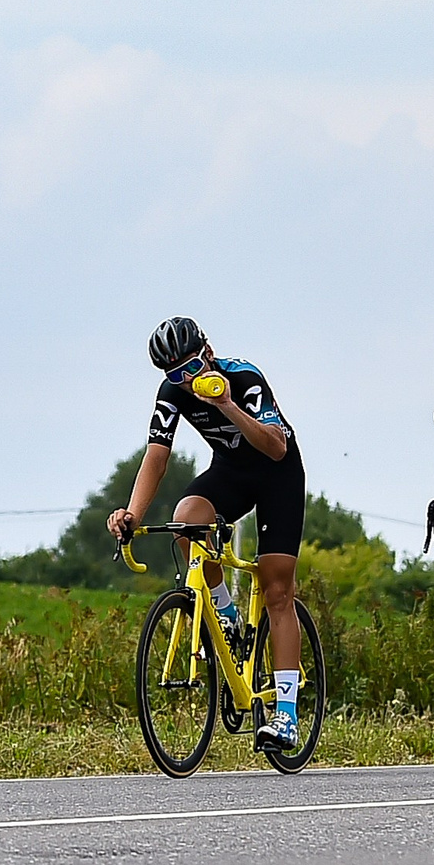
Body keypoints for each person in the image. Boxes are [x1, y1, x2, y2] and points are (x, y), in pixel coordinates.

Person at [107, 317, 308, 753]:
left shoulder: (244, 377)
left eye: (193, 366)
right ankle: (226, 612)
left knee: (277, 589)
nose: (188, 379)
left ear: (208, 351)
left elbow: (276, 447)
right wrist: (132, 514)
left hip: (277, 475)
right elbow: (156, 458)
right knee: (187, 517)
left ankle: (287, 716)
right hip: (231, 474)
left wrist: (226, 405)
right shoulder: (172, 393)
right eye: (177, 374)